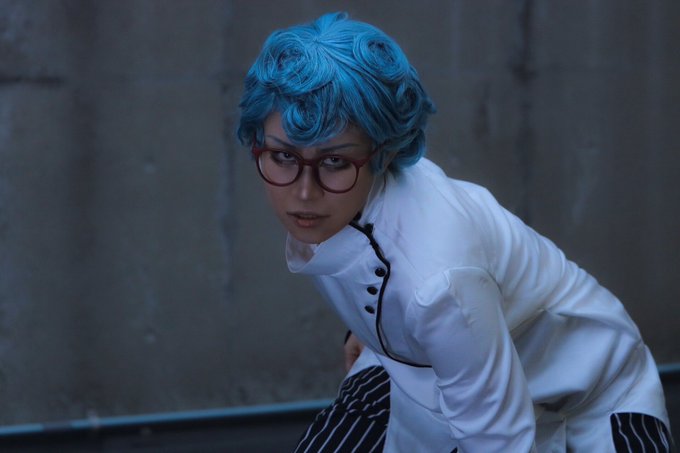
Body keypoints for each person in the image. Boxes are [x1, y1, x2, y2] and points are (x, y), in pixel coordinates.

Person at [237, 11, 673, 452]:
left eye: (335, 161)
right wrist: (369, 331)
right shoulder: (345, 202)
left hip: (586, 396)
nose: (304, 192)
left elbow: (498, 439)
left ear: (384, 155)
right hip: (415, 371)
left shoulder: (438, 279)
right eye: (283, 156)